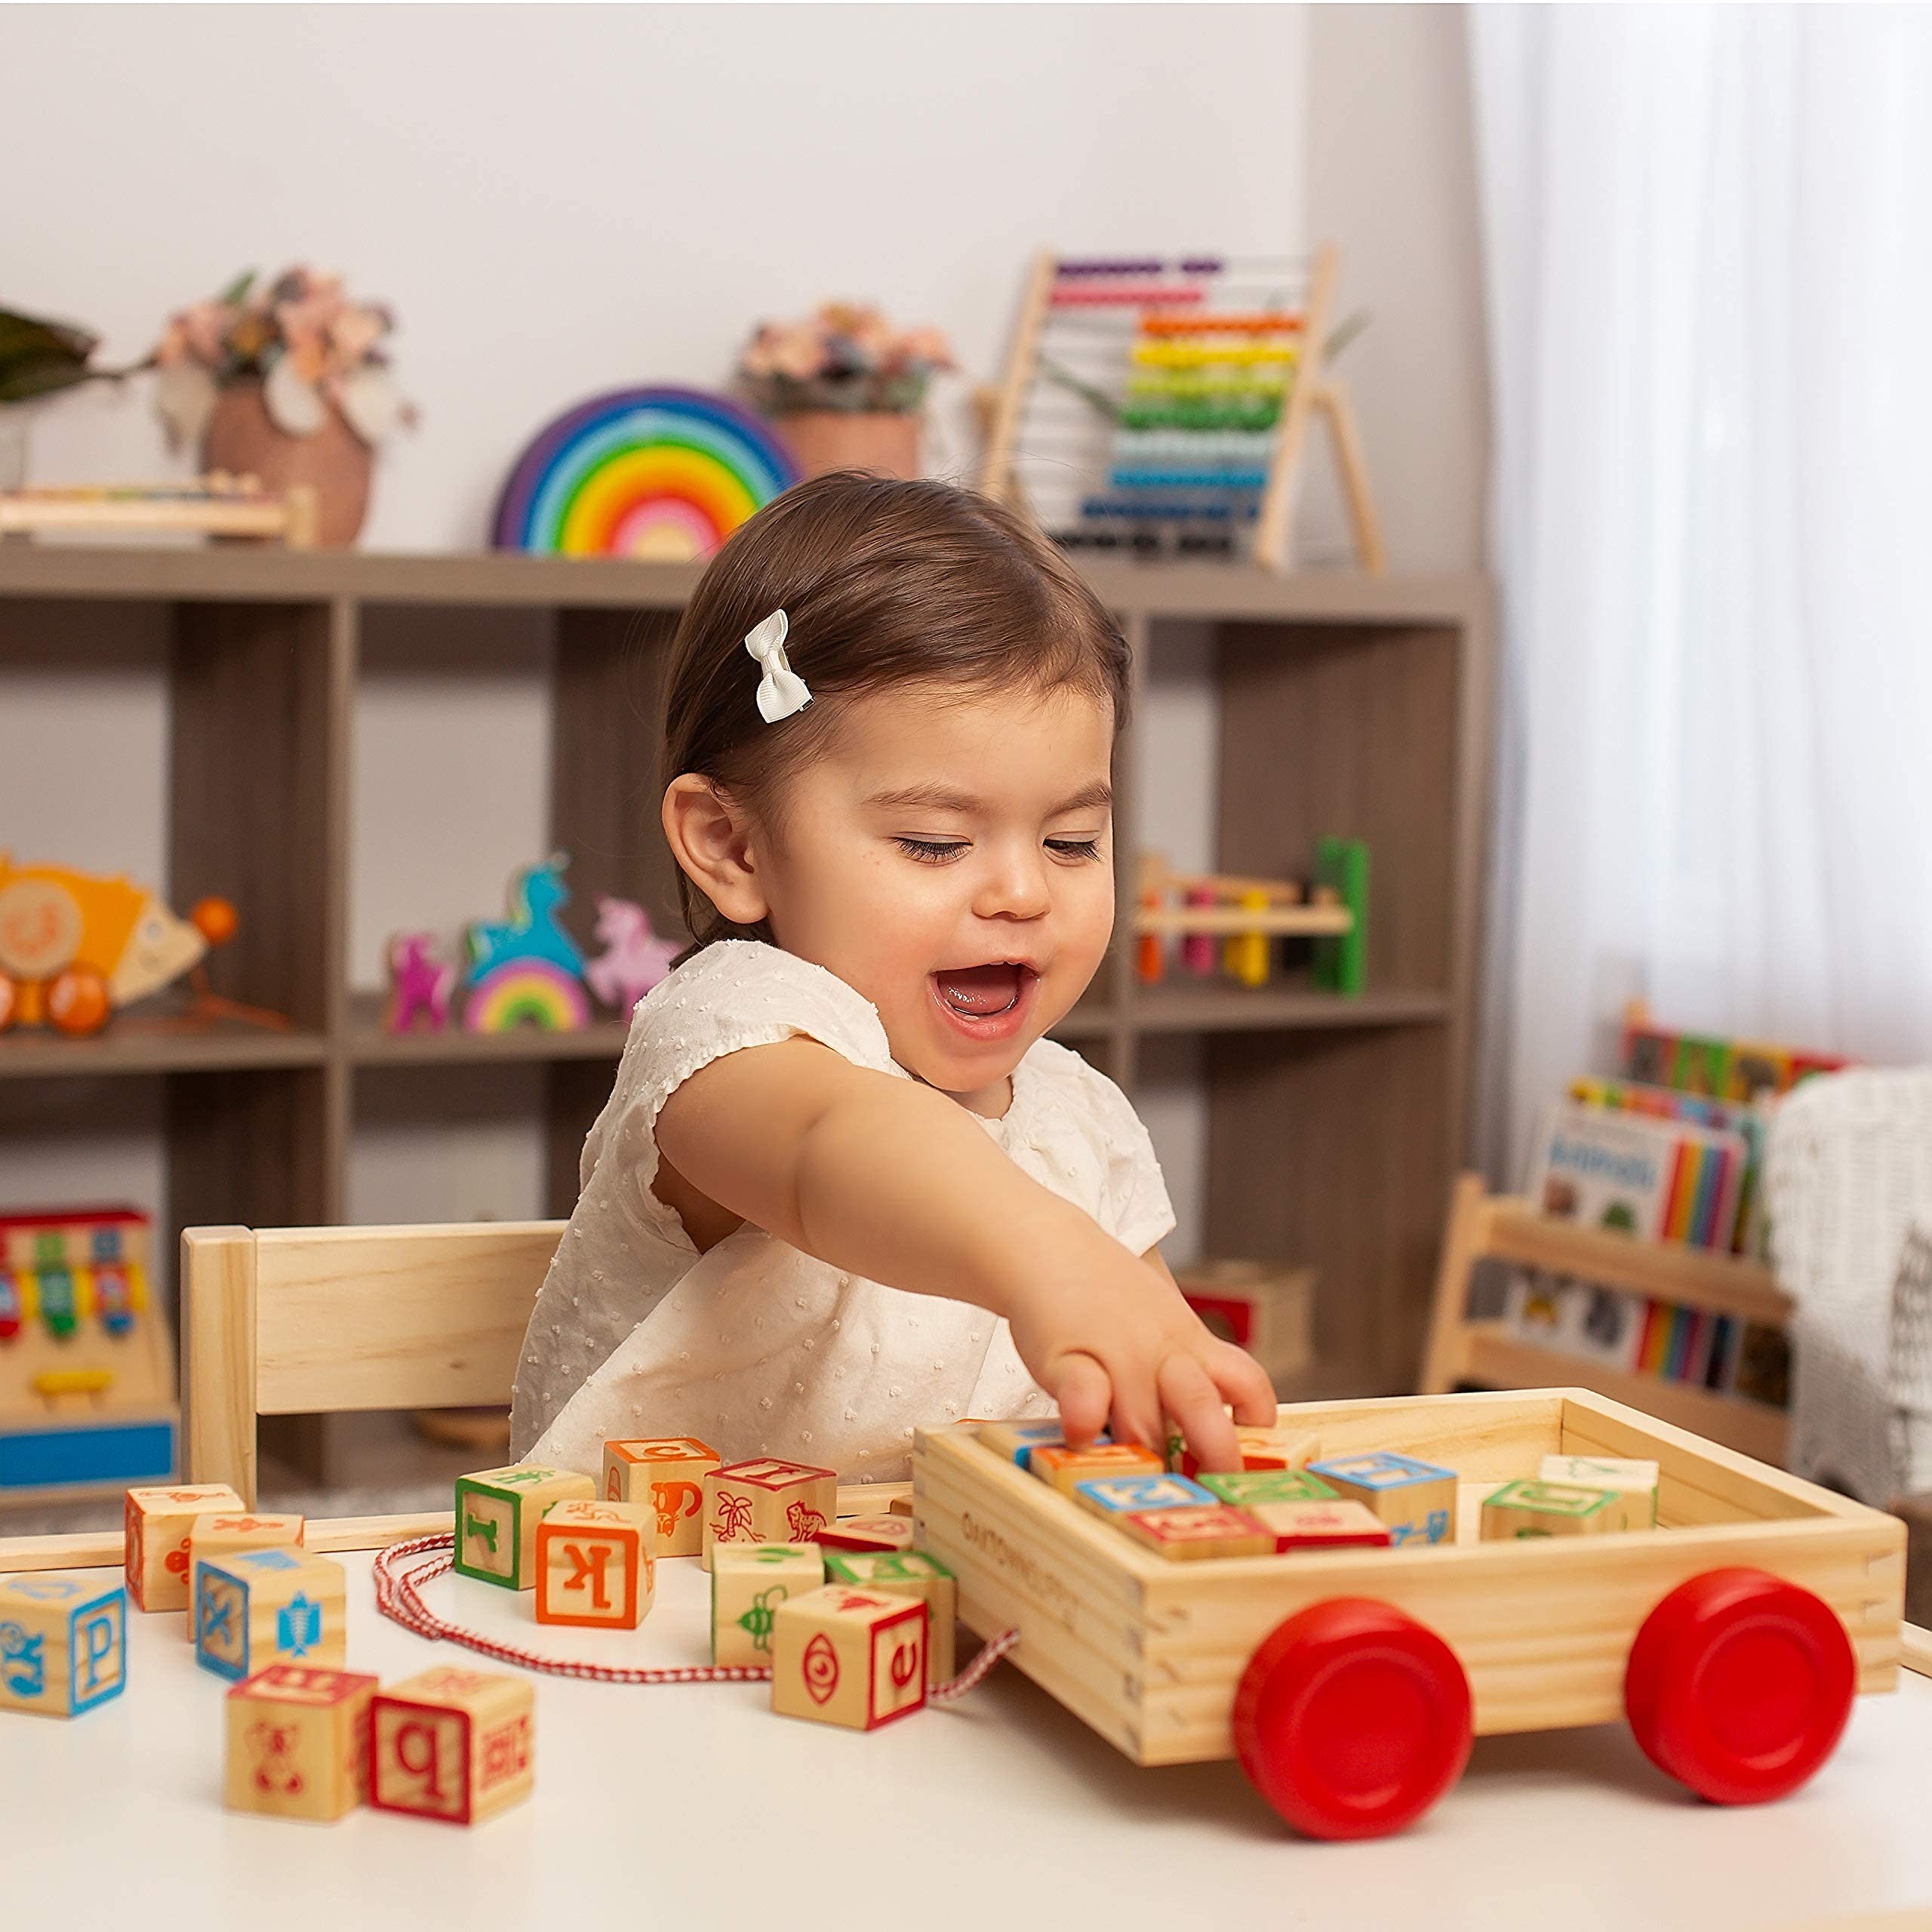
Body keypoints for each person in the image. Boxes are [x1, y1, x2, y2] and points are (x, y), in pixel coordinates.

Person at [510, 472, 1274, 1484]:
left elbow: (1140, 1362)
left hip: (947, 1608)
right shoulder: (731, 1032)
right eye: (933, 843)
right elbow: (833, 1143)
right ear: (733, 847)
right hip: (641, 1607)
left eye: (1072, 840)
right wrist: (1054, 1256)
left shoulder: (1078, 1122)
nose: (1020, 892)